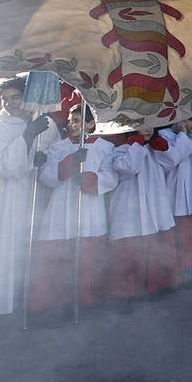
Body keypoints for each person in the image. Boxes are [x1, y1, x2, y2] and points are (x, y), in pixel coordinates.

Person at [0, 78, 59, 319]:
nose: (10, 103)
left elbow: (53, 153)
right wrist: (28, 136)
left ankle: (28, 304)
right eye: (6, 99)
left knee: (29, 251)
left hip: (34, 195)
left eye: (17, 97)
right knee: (0, 250)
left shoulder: (45, 122)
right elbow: (8, 166)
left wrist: (44, 161)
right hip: (3, 198)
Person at [28, 106, 117, 318]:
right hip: (61, 206)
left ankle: (87, 301)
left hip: (89, 207)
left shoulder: (104, 147)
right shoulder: (59, 147)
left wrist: (90, 179)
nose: (72, 124)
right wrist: (70, 163)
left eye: (78, 120)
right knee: (57, 257)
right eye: (71, 120)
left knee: (89, 258)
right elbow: (47, 177)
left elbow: (112, 176)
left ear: (91, 124)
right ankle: (54, 304)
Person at [106, 131, 180, 301]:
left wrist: (161, 145)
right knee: (129, 253)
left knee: (158, 249)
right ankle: (126, 293)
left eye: (151, 125)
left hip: (155, 204)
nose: (148, 129)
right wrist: (137, 145)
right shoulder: (121, 149)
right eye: (143, 125)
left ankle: (159, 286)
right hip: (130, 208)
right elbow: (129, 168)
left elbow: (172, 161)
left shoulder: (155, 150)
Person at [151, 119, 192, 274]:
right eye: (191, 120)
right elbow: (172, 159)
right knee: (174, 235)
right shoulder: (164, 134)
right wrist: (182, 134)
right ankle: (174, 271)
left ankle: (190, 269)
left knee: (191, 233)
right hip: (173, 190)